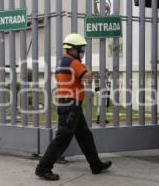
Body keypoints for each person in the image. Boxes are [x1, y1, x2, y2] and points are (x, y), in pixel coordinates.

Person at [35, 33, 112, 181]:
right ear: (72, 49)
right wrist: (87, 68)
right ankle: (42, 168)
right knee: (62, 138)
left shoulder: (61, 62)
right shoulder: (73, 62)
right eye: (80, 50)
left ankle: (96, 165)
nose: (82, 53)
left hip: (70, 105)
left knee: (85, 136)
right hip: (71, 106)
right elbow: (88, 77)